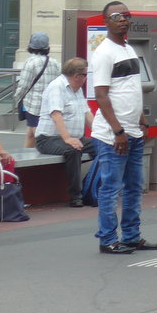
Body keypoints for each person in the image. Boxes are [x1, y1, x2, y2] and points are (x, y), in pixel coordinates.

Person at [91, 1, 157, 255]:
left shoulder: (128, 49)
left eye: (126, 15)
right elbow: (101, 95)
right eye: (116, 16)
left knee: (134, 187)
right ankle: (108, 239)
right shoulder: (104, 53)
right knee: (111, 188)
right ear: (105, 21)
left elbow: (132, 88)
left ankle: (131, 236)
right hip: (113, 135)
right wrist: (118, 131)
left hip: (133, 130)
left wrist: (141, 119)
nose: (123, 19)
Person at [35, 57, 97, 206]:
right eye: (85, 75)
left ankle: (91, 186)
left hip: (75, 137)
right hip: (49, 138)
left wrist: (101, 134)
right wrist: (68, 138)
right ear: (77, 76)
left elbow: (87, 114)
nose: (86, 78)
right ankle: (75, 196)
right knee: (73, 150)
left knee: (103, 147)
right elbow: (56, 115)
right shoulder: (57, 87)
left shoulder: (77, 89)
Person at [15, 32, 59, 149]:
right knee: (30, 133)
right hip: (49, 104)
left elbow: (24, 85)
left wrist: (17, 98)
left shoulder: (31, 62)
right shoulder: (54, 63)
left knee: (38, 135)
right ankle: (26, 155)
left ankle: (48, 155)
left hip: (34, 105)